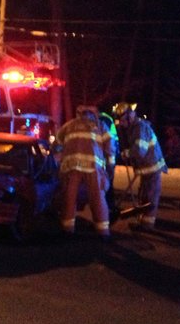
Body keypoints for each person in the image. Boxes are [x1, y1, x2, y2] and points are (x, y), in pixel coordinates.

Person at [54, 104, 111, 239]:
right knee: (97, 197)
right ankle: (103, 231)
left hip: (71, 167)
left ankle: (67, 229)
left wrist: (58, 162)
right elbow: (110, 149)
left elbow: (56, 145)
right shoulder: (101, 126)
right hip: (93, 168)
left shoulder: (68, 126)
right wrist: (110, 169)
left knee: (69, 197)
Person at [112, 102, 168, 228]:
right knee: (143, 195)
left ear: (129, 116)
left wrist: (126, 154)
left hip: (152, 167)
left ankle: (147, 224)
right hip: (145, 168)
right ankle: (143, 220)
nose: (121, 123)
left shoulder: (140, 128)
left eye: (122, 120)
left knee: (150, 196)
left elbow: (139, 151)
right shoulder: (132, 128)